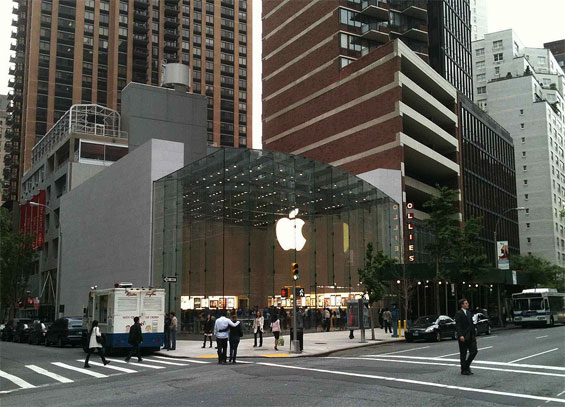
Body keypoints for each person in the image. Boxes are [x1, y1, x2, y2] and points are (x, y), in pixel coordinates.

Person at [455, 298, 478, 375]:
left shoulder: (469, 313)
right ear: (462, 305)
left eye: (467, 303)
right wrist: (460, 335)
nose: (467, 304)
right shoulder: (459, 313)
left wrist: (474, 334)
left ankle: (466, 365)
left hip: (470, 335)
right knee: (463, 353)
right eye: (466, 303)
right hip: (463, 336)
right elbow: (458, 326)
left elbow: (471, 324)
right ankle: (464, 370)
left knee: (474, 351)